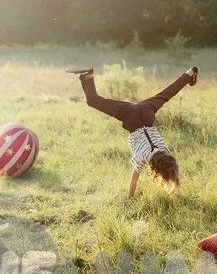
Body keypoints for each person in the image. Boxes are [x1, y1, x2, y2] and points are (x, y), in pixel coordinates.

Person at [66, 65, 198, 198]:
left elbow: (171, 167)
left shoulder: (165, 150)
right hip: (131, 117)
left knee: (167, 93)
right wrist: (130, 201)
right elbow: (133, 182)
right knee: (93, 101)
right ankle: (87, 75)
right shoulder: (142, 158)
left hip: (146, 110)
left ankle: (189, 73)